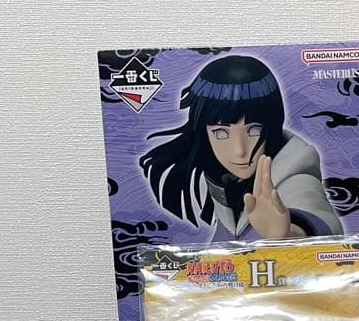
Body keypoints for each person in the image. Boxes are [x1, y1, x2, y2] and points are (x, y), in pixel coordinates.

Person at [140, 54, 342, 241]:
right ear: (204, 133)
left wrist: (290, 233)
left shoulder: (295, 178)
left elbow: (318, 218)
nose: (240, 150)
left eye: (254, 129)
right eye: (221, 133)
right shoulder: (226, 182)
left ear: (272, 126)